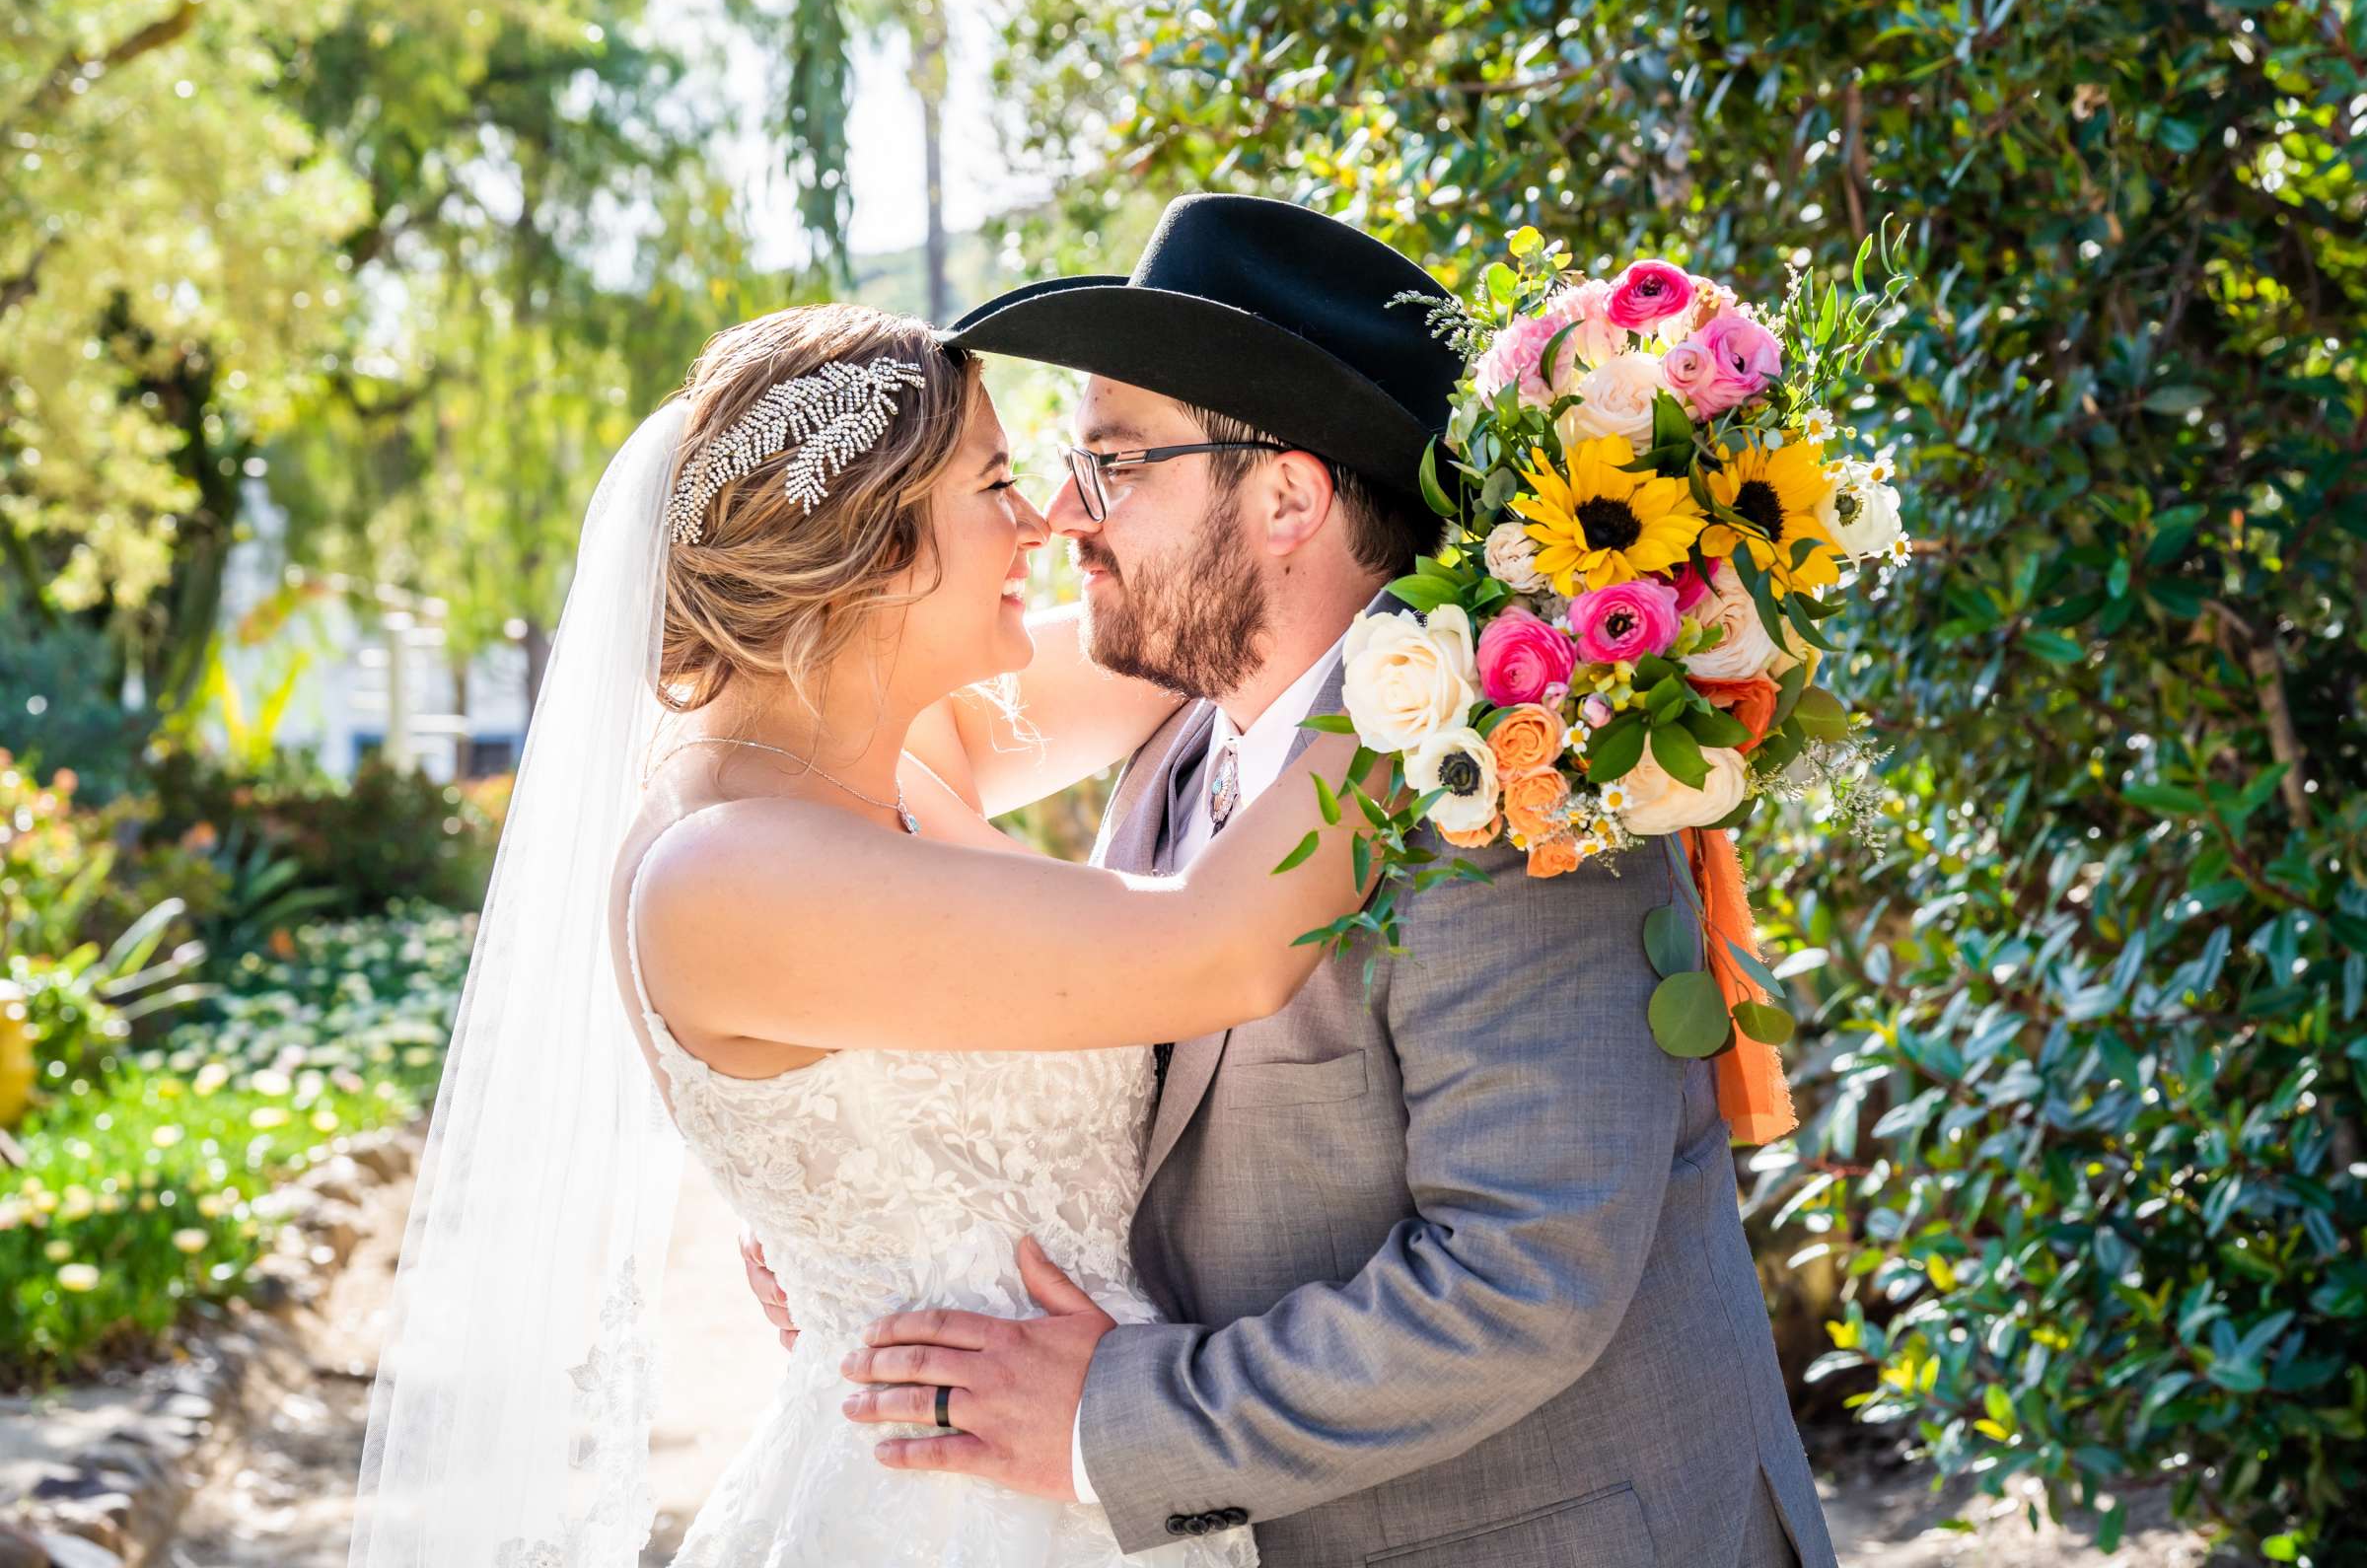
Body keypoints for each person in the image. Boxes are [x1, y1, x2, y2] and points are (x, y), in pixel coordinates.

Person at [759, 193, 1840, 1567]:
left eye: (1114, 465)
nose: (1063, 520)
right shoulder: (1172, 753)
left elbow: (1523, 1277)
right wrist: (881, 1222)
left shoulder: (1519, 799)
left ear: (1285, 495)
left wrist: (1110, 1424)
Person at [349, 297, 1389, 1568]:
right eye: (998, 483)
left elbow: (1210, 624)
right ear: (875, 547)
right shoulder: (730, 869)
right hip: (955, 1513)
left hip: (1081, 1468)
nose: (1045, 521)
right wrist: (1448, 647)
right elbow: (1223, 948)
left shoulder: (893, 753)